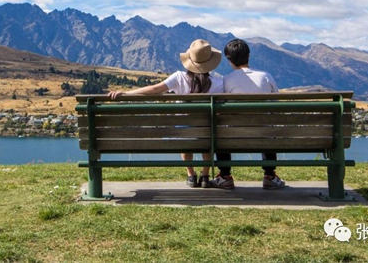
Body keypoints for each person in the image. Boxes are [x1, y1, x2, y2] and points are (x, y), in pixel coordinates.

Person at [108, 39, 223, 188]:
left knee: (184, 130)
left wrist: (127, 93)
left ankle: (191, 175)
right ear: (210, 61)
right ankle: (206, 176)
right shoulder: (219, 82)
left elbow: (154, 89)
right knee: (207, 133)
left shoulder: (179, 77)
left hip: (183, 133)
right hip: (207, 132)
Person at [213, 38, 286, 190]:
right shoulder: (266, 76)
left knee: (221, 131)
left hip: (234, 133)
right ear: (249, 55)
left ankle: (225, 176)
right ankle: (270, 176)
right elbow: (276, 103)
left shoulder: (226, 80)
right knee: (268, 127)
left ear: (229, 60)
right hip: (264, 133)